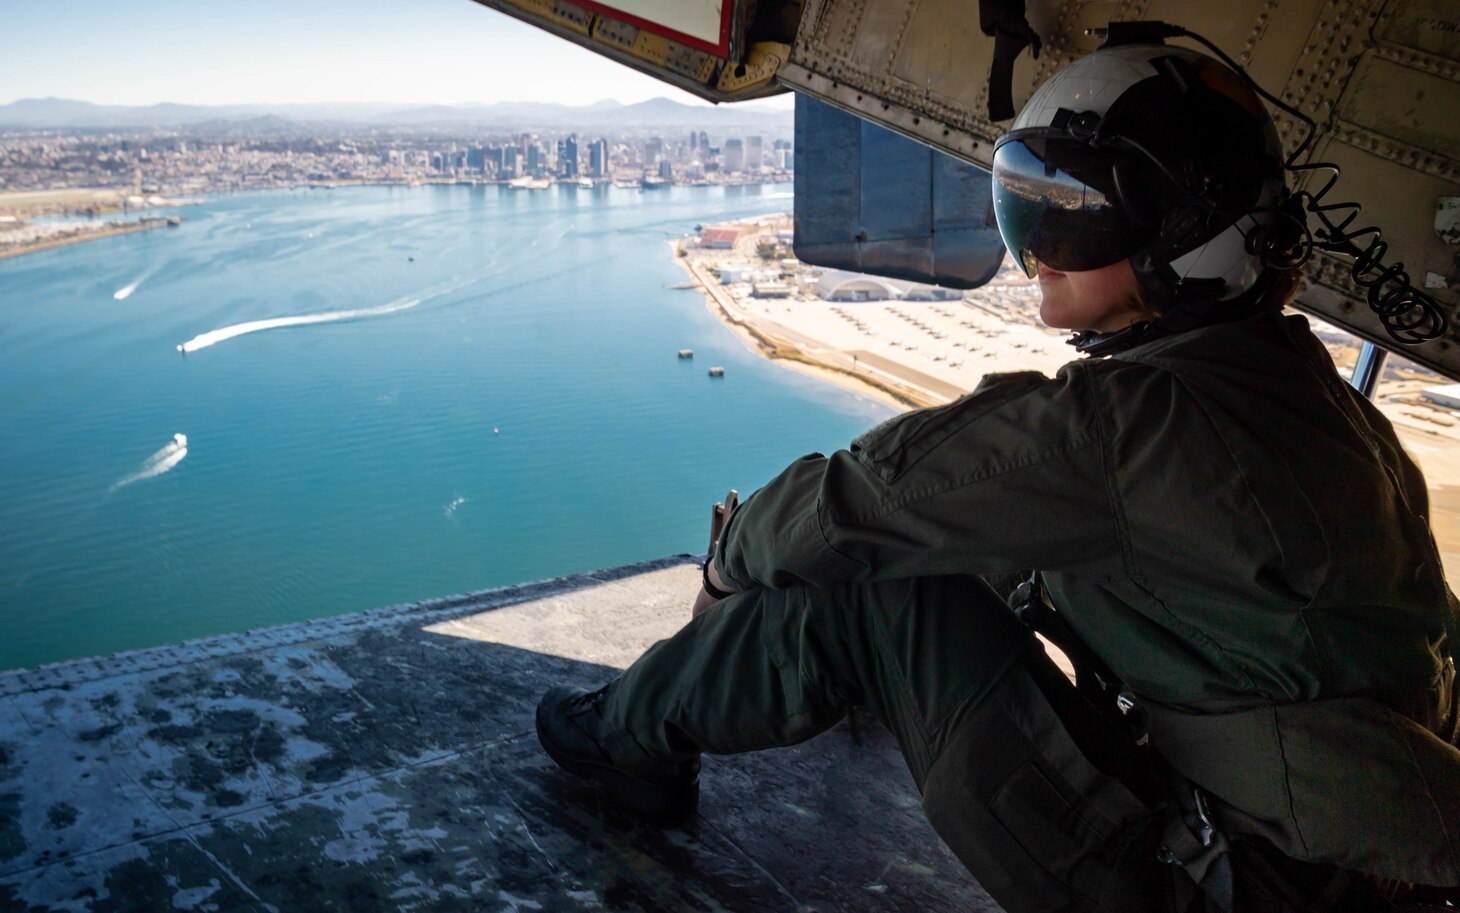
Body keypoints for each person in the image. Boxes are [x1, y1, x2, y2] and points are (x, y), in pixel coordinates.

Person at [536, 38, 1460, 912]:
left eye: (1078, 217)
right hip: (1353, 861)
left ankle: (627, 736)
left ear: (1183, 243)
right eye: (1035, 206)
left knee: (866, 588)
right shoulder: (1326, 408)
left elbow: (853, 499)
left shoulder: (1130, 425)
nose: (1043, 247)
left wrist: (723, 573)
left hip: (1213, 880)